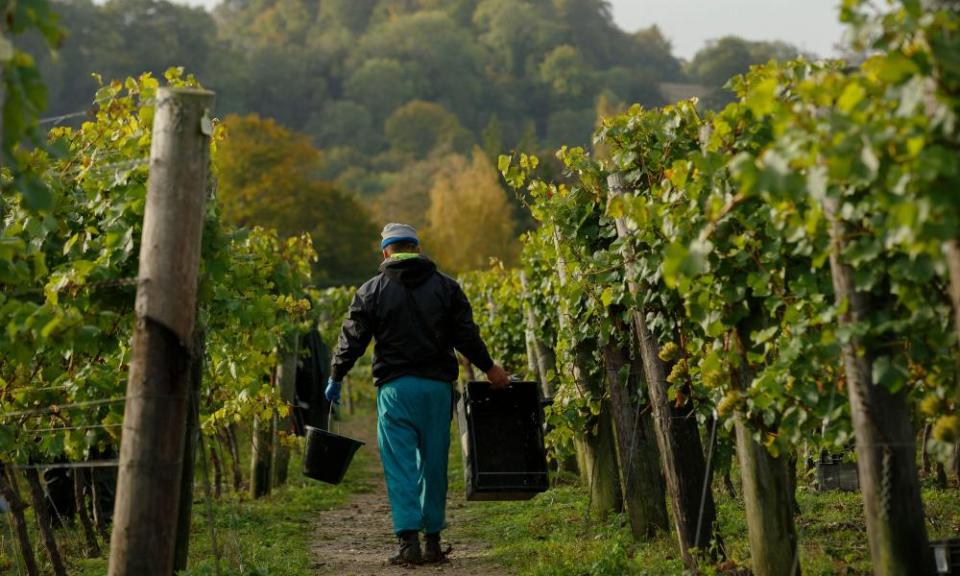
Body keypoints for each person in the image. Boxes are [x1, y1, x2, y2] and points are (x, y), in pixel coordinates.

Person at [326, 222, 510, 565]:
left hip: (395, 390)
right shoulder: (446, 287)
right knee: (434, 464)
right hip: (437, 389)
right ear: (418, 248)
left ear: (386, 252)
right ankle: (433, 543)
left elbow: (352, 340)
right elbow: (465, 336)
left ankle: (408, 544)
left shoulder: (371, 291)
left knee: (400, 465)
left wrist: (337, 375)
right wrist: (490, 368)